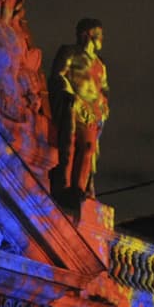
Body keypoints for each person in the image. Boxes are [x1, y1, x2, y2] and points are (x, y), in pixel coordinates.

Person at [50, 17, 108, 202]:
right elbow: (59, 75)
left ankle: (80, 188)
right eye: (99, 34)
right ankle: (65, 186)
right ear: (88, 34)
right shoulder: (70, 52)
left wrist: (103, 106)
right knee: (70, 144)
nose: (101, 38)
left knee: (89, 148)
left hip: (93, 113)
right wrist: (70, 94)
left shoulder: (100, 65)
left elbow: (103, 88)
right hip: (75, 105)